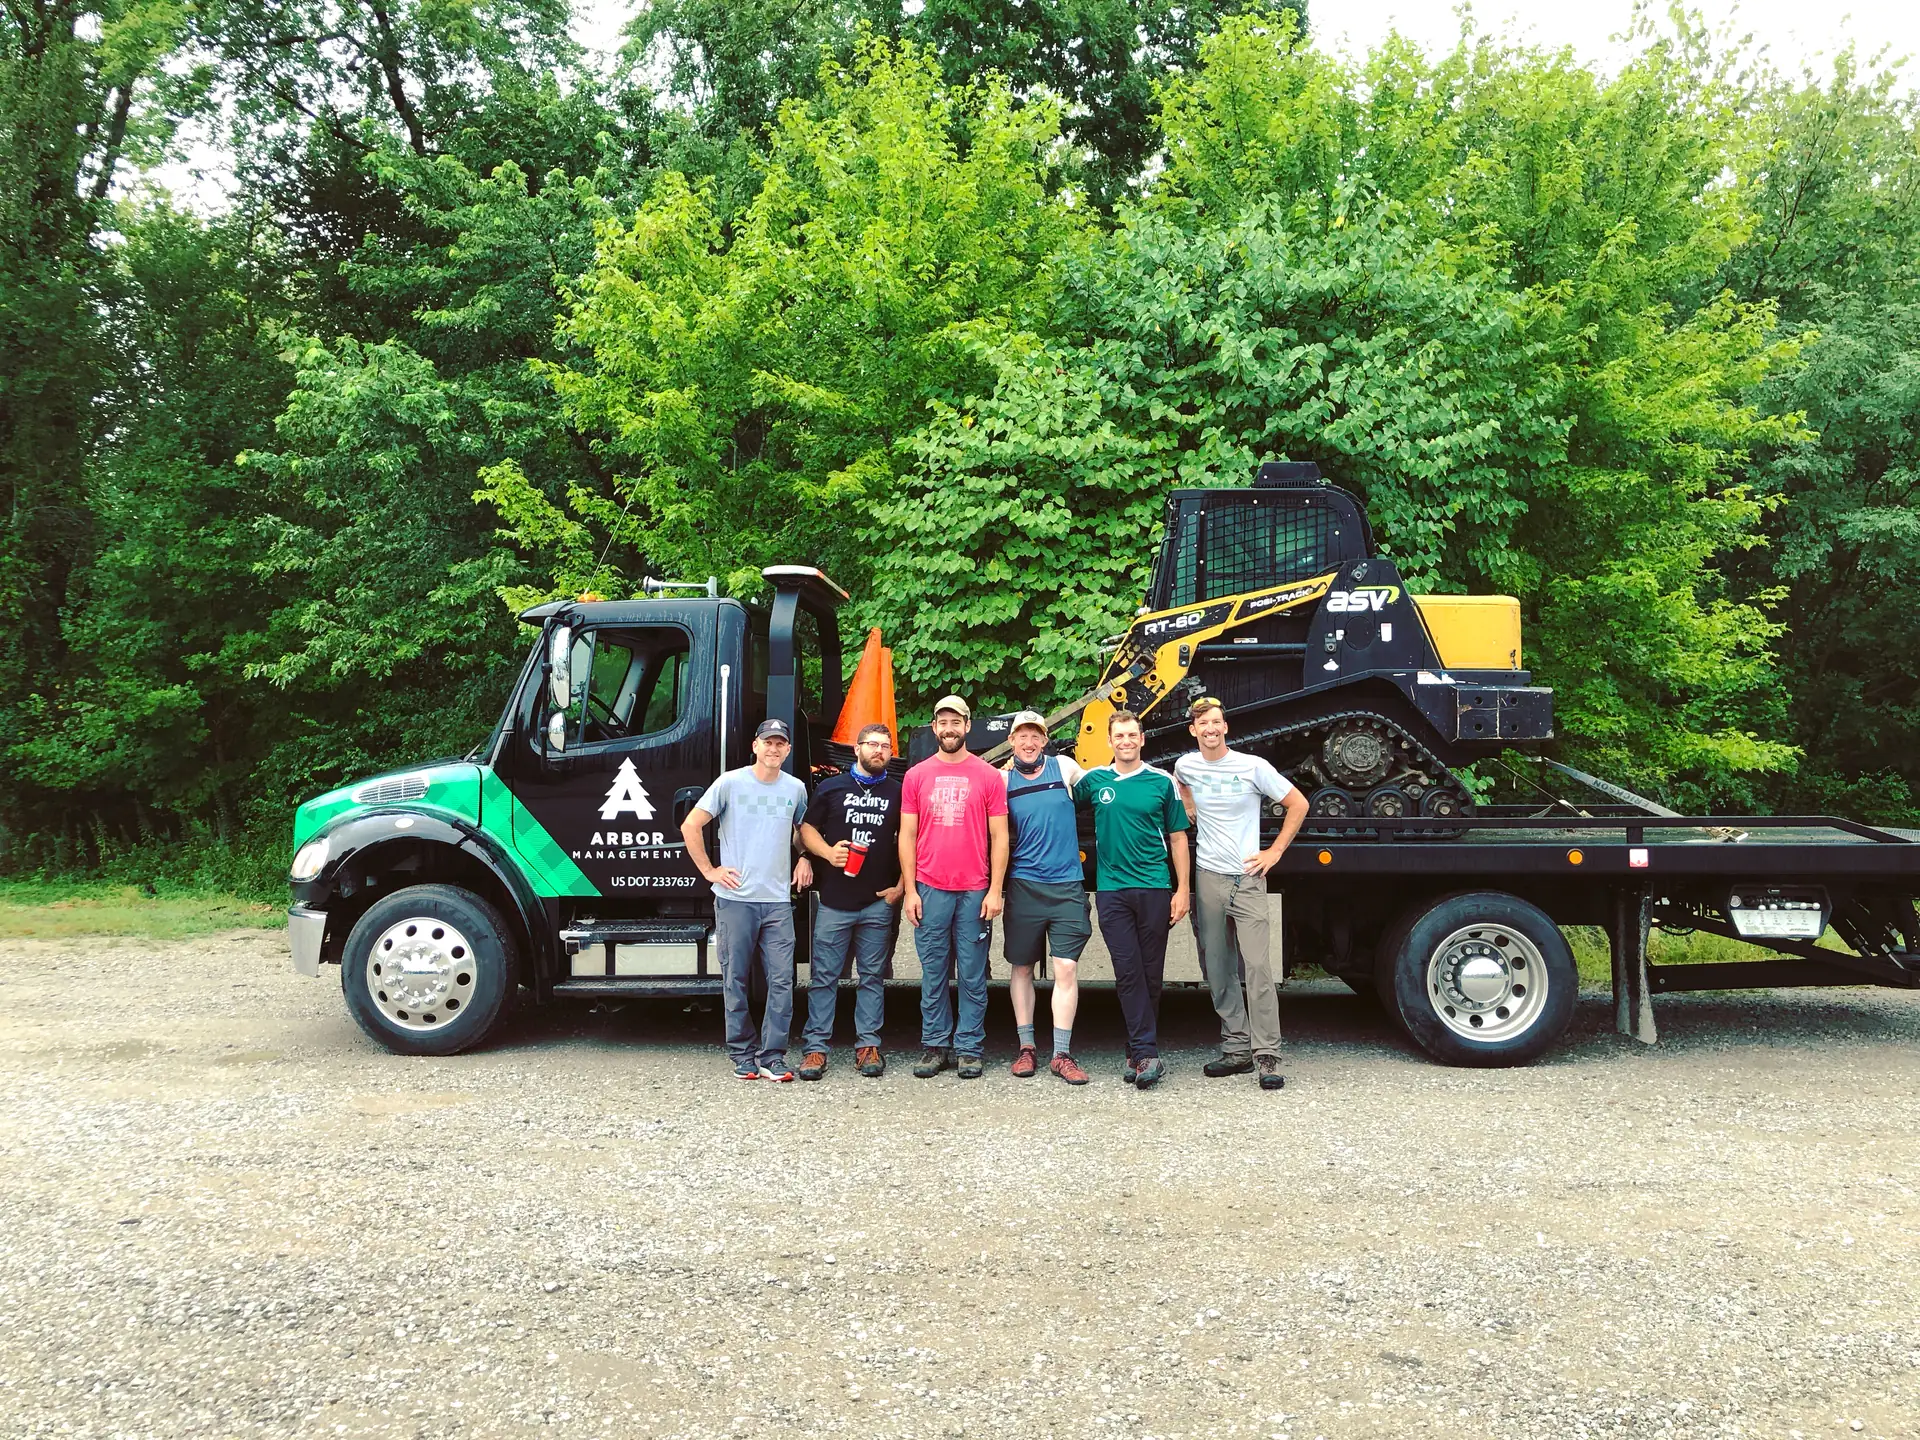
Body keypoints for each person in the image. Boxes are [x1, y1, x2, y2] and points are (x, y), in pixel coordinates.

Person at [1173, 696, 1309, 1091]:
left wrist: (1275, 851)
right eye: (1203, 724)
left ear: (1225, 727)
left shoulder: (1252, 767)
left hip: (1247, 879)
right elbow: (1180, 783)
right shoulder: (1186, 764)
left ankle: (1267, 1054)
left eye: (1217, 722)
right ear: (1193, 731)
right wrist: (1188, 802)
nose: (1211, 729)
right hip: (1208, 878)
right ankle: (1236, 1049)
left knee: (1258, 969)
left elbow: (1297, 802)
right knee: (1216, 967)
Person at [681, 718, 814, 1081]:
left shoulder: (795, 789)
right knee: (735, 978)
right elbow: (691, 825)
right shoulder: (730, 783)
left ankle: (772, 1056)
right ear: (755, 746)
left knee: (782, 980)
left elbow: (801, 832)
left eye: (780, 744)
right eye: (767, 742)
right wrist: (710, 871)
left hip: (776, 901)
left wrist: (805, 857)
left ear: (788, 750)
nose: (773, 749)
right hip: (735, 899)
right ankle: (742, 1053)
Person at [1073, 710, 1190, 1089]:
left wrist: (1182, 889)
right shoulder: (1095, 781)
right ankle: (1146, 1054)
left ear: (1142, 740)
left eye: (1131, 735)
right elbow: (1054, 802)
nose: (1125, 741)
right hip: (1112, 892)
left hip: (1155, 888)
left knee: (1151, 974)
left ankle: (1136, 1050)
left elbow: (1177, 839)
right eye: (1118, 735)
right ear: (1109, 742)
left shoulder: (1162, 782)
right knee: (1127, 971)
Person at [898, 696, 1009, 1080]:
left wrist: (995, 890)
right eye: (942, 722)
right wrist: (910, 890)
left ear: (967, 726)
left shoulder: (989, 776)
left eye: (956, 722)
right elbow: (907, 834)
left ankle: (969, 1049)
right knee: (933, 973)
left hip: (975, 891)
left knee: (974, 975)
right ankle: (935, 1047)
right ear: (934, 727)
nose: (949, 728)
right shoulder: (916, 776)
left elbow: (1000, 837)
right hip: (930, 888)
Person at [796, 723, 905, 1080]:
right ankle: (815, 1049)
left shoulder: (898, 792)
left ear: (891, 753)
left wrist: (901, 887)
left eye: (885, 746)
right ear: (856, 749)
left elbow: (910, 840)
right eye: (872, 744)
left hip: (877, 902)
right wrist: (827, 853)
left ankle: (868, 1046)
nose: (879, 750)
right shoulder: (831, 787)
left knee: (872, 977)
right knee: (824, 977)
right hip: (834, 902)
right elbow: (806, 829)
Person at [999, 710, 1092, 1085]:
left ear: (1044, 739)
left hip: (1067, 884)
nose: (1029, 742)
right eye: (1022, 735)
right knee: (1021, 967)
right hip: (1024, 885)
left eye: (1035, 735)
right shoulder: (1001, 779)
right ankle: (1026, 1047)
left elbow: (1106, 785)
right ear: (1011, 741)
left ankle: (1061, 1053)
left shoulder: (1064, 767)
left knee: (1065, 969)